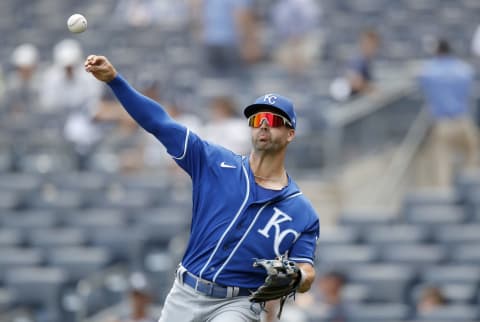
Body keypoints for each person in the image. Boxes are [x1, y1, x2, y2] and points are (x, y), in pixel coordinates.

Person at [85, 55, 319, 321]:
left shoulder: (301, 210)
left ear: (291, 133)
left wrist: (298, 275)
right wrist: (115, 81)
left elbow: (306, 270)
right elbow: (159, 122)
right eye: (257, 118)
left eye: (275, 119)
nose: (264, 123)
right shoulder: (215, 162)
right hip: (185, 292)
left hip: (238, 303)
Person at [418, 39, 479, 187]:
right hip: (463, 122)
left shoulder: (429, 71)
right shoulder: (464, 70)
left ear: (438, 52)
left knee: (441, 166)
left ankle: (444, 197)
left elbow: (422, 85)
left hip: (443, 125)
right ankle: (470, 189)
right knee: (473, 156)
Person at [4, 43, 41, 119]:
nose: (24, 72)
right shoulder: (12, 83)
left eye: (27, 69)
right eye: (21, 68)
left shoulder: (41, 82)